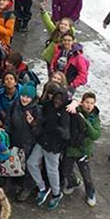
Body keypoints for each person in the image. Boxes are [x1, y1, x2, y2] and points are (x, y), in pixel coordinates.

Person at [28, 83, 70, 211]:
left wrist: (61, 131)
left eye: (60, 99)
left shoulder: (66, 112)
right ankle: (42, 187)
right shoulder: (48, 106)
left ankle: (56, 194)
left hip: (54, 146)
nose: (57, 101)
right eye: (56, 98)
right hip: (43, 140)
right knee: (31, 163)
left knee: (52, 171)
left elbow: (67, 133)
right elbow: (42, 119)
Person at [61, 92, 101, 207]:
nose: (89, 105)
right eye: (87, 102)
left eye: (92, 103)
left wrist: (84, 120)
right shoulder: (76, 110)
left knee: (86, 175)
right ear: (82, 102)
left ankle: (91, 192)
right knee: (66, 170)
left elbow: (95, 135)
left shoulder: (94, 117)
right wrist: (74, 103)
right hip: (71, 148)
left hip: (84, 150)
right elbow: (68, 104)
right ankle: (73, 183)